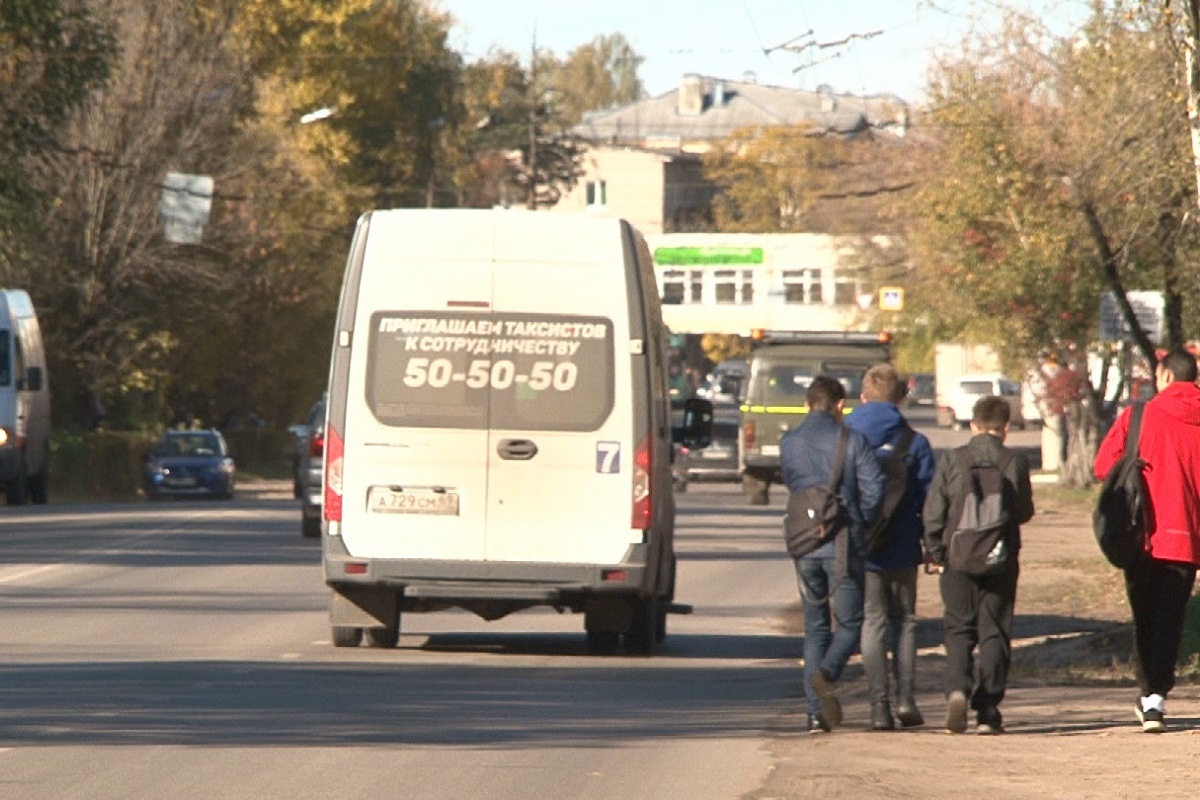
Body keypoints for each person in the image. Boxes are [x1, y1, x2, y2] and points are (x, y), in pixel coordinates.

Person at [1093, 348, 1200, 733]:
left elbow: (1103, 466)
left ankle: (1148, 694)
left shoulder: (1138, 416)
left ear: (1166, 375)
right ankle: (1156, 699)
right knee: (1171, 619)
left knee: (1145, 617)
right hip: (1187, 540)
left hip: (1142, 537)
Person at [923, 396, 1034, 735]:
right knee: (995, 631)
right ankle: (988, 709)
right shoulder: (1013, 461)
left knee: (958, 628)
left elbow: (933, 513)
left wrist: (937, 553)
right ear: (1006, 429)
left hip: (957, 560)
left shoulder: (954, 460)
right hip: (1000, 561)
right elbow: (1023, 511)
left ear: (972, 426)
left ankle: (957, 688)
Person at [780, 375, 885, 733]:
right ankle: (826, 674)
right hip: (842, 544)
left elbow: (792, 483)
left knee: (815, 628)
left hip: (802, 542)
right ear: (840, 405)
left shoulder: (789, 442)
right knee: (850, 624)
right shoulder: (852, 440)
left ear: (808, 404)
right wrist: (861, 523)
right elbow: (874, 487)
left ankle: (814, 714)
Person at [846, 364, 936, 730]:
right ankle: (906, 700)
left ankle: (877, 708)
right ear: (900, 398)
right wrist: (931, 543)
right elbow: (930, 498)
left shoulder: (845, 436)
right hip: (903, 543)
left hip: (861, 544)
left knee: (873, 621)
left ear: (863, 397)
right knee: (906, 622)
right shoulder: (915, 442)